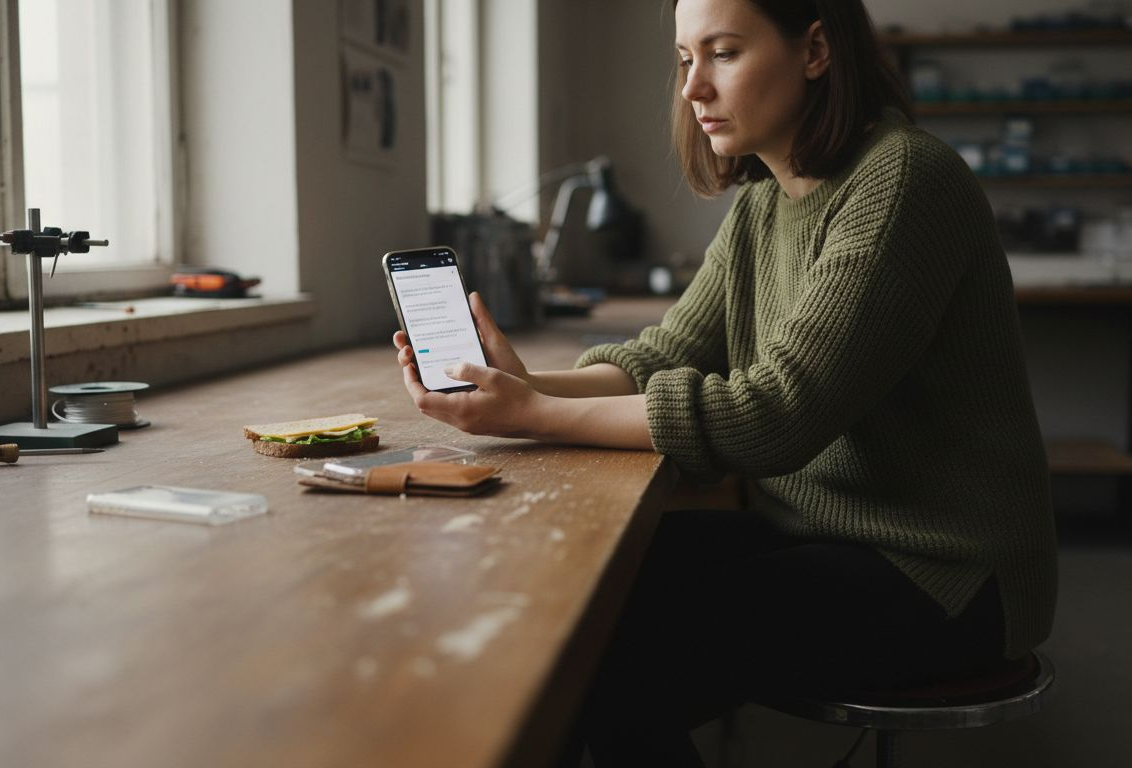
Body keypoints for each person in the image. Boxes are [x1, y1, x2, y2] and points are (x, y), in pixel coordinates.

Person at [393, 0, 1057, 764]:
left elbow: (778, 414)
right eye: (684, 59)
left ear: (814, 50)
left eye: (724, 53)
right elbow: (671, 350)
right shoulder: (764, 203)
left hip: (946, 571)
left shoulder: (903, 179)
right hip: (819, 534)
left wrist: (535, 414)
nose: (692, 89)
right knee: (571, 606)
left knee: (601, 669)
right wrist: (516, 383)